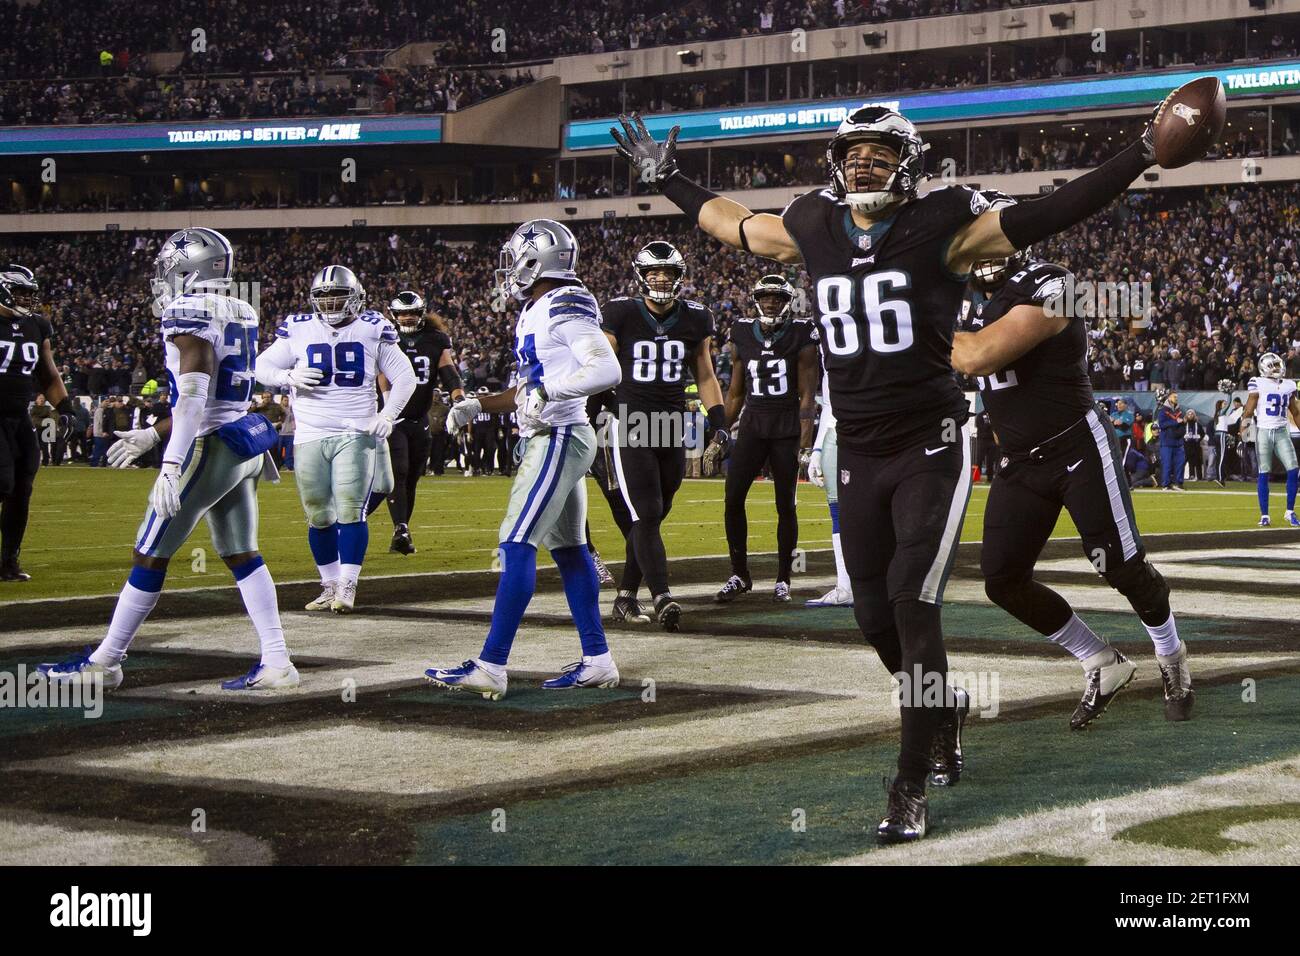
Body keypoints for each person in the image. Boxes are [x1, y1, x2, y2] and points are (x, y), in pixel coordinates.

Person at [613, 88, 1182, 841]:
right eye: (853, 155)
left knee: (914, 606)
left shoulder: (941, 222)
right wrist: (667, 181)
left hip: (932, 442)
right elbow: (737, 226)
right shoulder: (813, 221)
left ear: (907, 166)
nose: (865, 165)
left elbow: (1050, 211)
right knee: (873, 614)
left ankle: (910, 782)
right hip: (857, 444)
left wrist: (1139, 154)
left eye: (880, 155)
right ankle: (940, 710)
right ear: (836, 167)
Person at [39, 228, 298, 690]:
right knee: (242, 553)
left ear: (187, 267)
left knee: (149, 552)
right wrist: (151, 431)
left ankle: (107, 661)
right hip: (241, 445)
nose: (162, 276)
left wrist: (170, 462)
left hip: (207, 449)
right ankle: (277, 661)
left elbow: (196, 395)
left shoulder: (187, 309)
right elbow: (220, 398)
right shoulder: (242, 307)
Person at [952, 250, 1192, 732]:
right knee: (1002, 580)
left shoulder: (1050, 281)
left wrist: (916, 326)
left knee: (1120, 564)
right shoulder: (960, 294)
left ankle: (1172, 658)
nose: (983, 255)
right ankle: (1100, 660)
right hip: (1020, 461)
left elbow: (978, 356)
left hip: (1077, 446)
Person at [425, 219, 622, 699]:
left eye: (516, 257)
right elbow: (529, 386)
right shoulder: (538, 307)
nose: (510, 267)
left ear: (537, 260)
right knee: (572, 551)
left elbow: (606, 368)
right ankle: (598, 660)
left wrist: (547, 390)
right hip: (553, 433)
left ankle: (492, 664)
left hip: (558, 435)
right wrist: (478, 404)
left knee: (515, 542)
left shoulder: (564, 303)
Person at [255, 265, 416, 613]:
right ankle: (328, 585)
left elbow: (405, 377)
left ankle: (348, 585)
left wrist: (386, 415)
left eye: (338, 294)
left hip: (354, 431)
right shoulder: (298, 328)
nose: (330, 302)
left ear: (355, 296)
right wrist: (289, 376)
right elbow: (261, 366)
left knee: (349, 508)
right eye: (323, 296)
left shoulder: (372, 328)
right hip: (309, 433)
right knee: (318, 514)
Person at [599, 240, 727, 629]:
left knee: (655, 514)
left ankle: (625, 595)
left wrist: (719, 422)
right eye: (653, 272)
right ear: (641, 275)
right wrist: (601, 408)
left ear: (678, 276)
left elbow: (705, 374)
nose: (660, 278)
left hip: (674, 423)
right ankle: (663, 596)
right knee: (647, 512)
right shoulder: (619, 312)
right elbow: (601, 364)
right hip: (632, 420)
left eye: (667, 272)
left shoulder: (695, 318)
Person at [715, 274, 818, 604]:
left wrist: (804, 442)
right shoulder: (743, 332)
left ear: (787, 301)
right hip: (753, 426)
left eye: (776, 297)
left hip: (785, 426)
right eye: (765, 297)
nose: (770, 302)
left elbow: (807, 394)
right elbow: (734, 392)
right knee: (732, 499)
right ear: (756, 300)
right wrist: (718, 433)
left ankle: (784, 578)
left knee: (785, 504)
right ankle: (739, 573)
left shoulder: (801, 333)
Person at [0, 265, 78, 580]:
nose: (27, 299)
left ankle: (8, 561)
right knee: (2, 483)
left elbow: (47, 373)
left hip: (19, 416)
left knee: (22, 489)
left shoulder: (38, 326)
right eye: (20, 292)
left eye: (30, 293)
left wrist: (66, 407)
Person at [382, 291, 463, 554]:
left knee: (413, 477)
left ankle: (402, 529)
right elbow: (382, 374)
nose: (406, 317)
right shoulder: (385, 336)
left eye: (412, 313)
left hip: (420, 417)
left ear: (422, 313)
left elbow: (447, 370)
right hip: (393, 418)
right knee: (399, 471)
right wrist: (387, 406)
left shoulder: (436, 339)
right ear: (393, 315)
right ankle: (399, 528)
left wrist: (458, 395)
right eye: (402, 313)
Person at [805, 364, 853, 607]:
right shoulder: (829, 341)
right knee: (838, 511)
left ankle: (876, 585)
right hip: (836, 431)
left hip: (871, 430)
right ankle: (845, 586)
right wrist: (817, 449)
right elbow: (829, 405)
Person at [1240, 352, 1299, 527]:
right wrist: (1243, 429)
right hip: (1264, 431)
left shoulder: (1289, 385)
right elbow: (1249, 410)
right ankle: (1264, 515)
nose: (1277, 368)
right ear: (1264, 367)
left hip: (1281, 431)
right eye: (1273, 365)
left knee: (1293, 469)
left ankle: (1290, 512)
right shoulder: (1257, 382)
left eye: (1278, 364)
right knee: (1264, 473)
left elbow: (1295, 412)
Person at [1183, 409, 1205, 482]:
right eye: (1189, 414)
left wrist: (1199, 437)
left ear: (1194, 415)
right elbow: (1180, 433)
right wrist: (1184, 437)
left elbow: (1202, 434)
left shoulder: (1198, 424)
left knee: (1197, 461)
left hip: (1196, 446)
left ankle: (1199, 477)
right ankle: (1190, 475)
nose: (1190, 415)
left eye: (1192, 414)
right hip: (1186, 446)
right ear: (1186, 415)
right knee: (1187, 461)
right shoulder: (1184, 424)